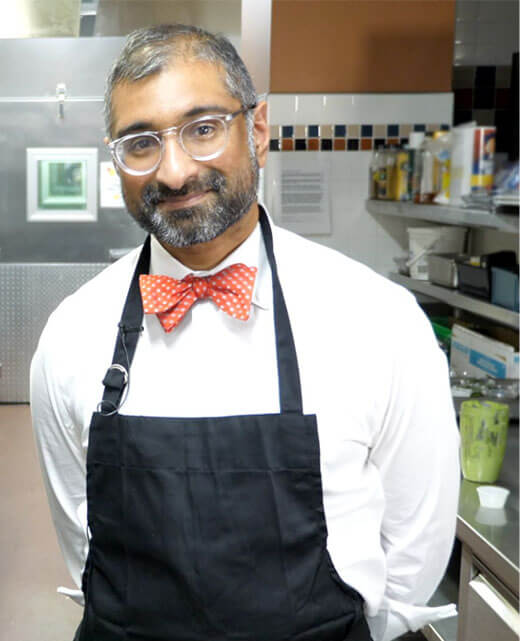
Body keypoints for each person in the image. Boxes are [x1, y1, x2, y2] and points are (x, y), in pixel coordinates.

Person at [30, 24, 459, 641]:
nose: (175, 172)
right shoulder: (73, 334)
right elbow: (81, 534)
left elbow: (413, 555)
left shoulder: (378, 321)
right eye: (142, 142)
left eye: (203, 129)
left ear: (256, 131)